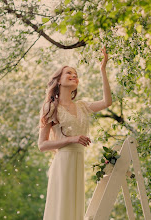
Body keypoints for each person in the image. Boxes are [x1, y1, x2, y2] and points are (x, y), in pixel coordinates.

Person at [38, 46, 112, 220]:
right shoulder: (51, 107)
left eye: (76, 74)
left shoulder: (82, 106)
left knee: (75, 210)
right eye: (69, 73)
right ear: (58, 80)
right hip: (63, 163)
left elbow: (107, 101)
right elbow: (42, 145)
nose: (74, 76)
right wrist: (72, 139)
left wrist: (103, 69)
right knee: (62, 209)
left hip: (78, 162)